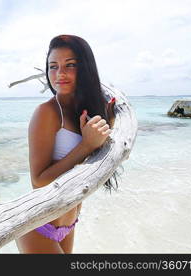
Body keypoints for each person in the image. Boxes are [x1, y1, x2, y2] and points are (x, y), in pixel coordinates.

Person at [15, 34, 116, 254]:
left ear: (85, 68)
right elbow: (39, 181)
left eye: (70, 65)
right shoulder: (47, 112)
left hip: (69, 223)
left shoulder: (84, 110)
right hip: (37, 224)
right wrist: (86, 146)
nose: (60, 74)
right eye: (53, 66)